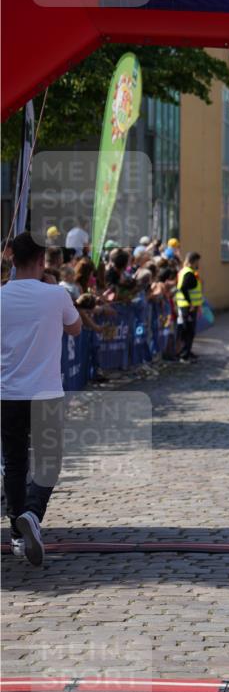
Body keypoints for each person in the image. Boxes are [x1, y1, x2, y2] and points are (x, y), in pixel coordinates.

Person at [1, 231, 82, 564]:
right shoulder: (56, 296)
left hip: (7, 392)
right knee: (49, 462)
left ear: (12, 260)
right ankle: (32, 515)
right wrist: (51, 288)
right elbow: (75, 328)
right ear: (40, 261)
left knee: (15, 464)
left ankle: (18, 534)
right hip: (45, 392)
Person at [175, 251, 203, 362]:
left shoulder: (185, 271)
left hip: (186, 306)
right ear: (193, 261)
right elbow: (183, 288)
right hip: (188, 307)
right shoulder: (189, 273)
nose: (199, 264)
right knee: (188, 330)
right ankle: (184, 355)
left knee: (188, 330)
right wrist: (190, 303)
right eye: (197, 262)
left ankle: (187, 352)